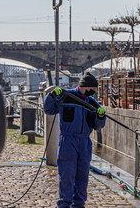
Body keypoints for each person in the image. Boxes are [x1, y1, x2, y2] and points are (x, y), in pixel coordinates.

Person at [43, 72, 106, 208]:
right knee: (67, 174)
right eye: (93, 90)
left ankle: (79, 204)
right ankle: (64, 203)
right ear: (84, 87)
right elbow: (48, 109)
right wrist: (52, 95)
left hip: (84, 142)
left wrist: (101, 116)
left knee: (82, 176)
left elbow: (97, 125)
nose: (94, 93)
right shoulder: (66, 97)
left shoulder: (92, 103)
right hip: (68, 140)